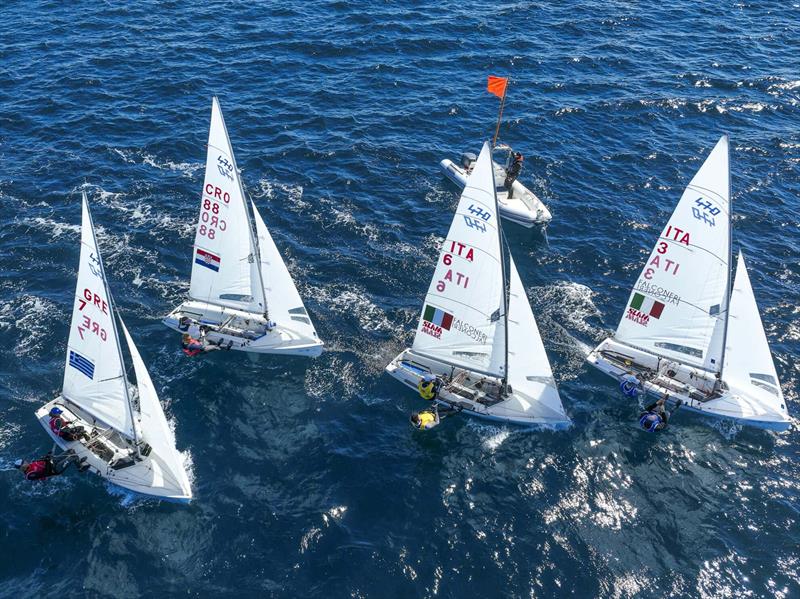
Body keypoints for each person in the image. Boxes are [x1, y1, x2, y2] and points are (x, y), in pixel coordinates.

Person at [14, 451, 88, 481]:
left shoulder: (30, 464)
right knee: (73, 457)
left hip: (52, 463)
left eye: (23, 460)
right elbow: (45, 473)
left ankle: (77, 461)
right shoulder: (30, 474)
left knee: (70, 451)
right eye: (23, 462)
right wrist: (47, 460)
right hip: (55, 470)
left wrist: (47, 456)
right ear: (21, 467)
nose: (25, 461)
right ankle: (80, 468)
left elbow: (40, 461)